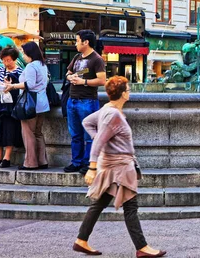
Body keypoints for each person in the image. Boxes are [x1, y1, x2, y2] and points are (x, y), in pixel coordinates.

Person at [73, 76, 166, 257]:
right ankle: (142, 248)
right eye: (128, 90)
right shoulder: (113, 114)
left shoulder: (108, 109)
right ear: (123, 94)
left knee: (99, 203)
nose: (129, 92)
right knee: (130, 206)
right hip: (119, 166)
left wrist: (102, 139)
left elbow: (87, 123)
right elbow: (99, 141)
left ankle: (81, 240)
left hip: (113, 164)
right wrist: (92, 167)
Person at [64, 30, 106, 174]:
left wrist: (83, 81)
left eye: (77, 40)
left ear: (85, 42)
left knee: (89, 135)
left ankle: (88, 163)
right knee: (75, 134)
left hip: (88, 101)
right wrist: (71, 78)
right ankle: (76, 162)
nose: (75, 43)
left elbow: (102, 80)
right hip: (72, 100)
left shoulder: (97, 59)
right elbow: (68, 73)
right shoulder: (76, 57)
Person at [4, 42, 49, 170]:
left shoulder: (31, 66)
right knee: (38, 133)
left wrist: (12, 85)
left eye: (24, 52)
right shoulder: (42, 65)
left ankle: (30, 163)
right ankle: (42, 161)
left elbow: (29, 84)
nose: (23, 56)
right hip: (42, 103)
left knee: (28, 133)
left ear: (30, 53)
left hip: (30, 104)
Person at [0, 47, 23, 168]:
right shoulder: (0, 70)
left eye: (8, 60)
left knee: (9, 130)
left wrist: (11, 85)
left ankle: (7, 157)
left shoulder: (20, 71)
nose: (6, 63)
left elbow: (23, 87)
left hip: (11, 105)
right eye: (4, 60)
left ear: (14, 59)